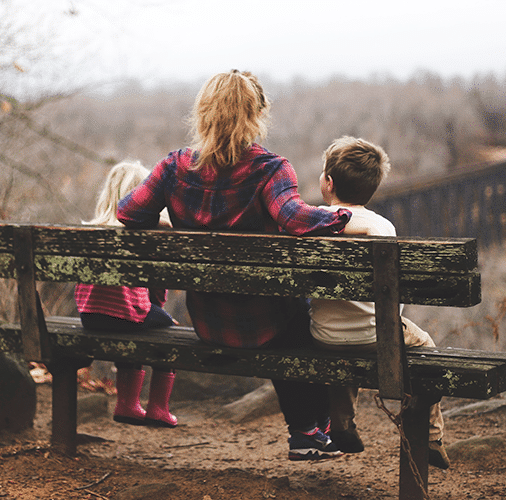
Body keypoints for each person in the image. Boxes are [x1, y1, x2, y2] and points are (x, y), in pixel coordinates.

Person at [117, 69, 352, 460]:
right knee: (303, 318)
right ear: (257, 115)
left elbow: (128, 213)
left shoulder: (174, 167)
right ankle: (310, 430)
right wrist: (342, 216)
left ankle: (312, 431)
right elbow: (294, 218)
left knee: (291, 316)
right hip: (267, 323)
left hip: (209, 321)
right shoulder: (269, 169)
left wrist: (164, 222)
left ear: (203, 113)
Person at [309, 135, 450, 469]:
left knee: (342, 340)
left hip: (323, 336)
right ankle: (431, 436)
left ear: (328, 183)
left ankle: (342, 424)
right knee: (426, 346)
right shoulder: (382, 226)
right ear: (371, 189)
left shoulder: (311, 222)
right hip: (377, 336)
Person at [75, 161, 179, 428]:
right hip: (125, 314)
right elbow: (156, 287)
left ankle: (128, 404)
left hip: (90, 316)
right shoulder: (142, 234)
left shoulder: (92, 231)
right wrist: (159, 309)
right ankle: (157, 408)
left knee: (133, 321)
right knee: (168, 330)